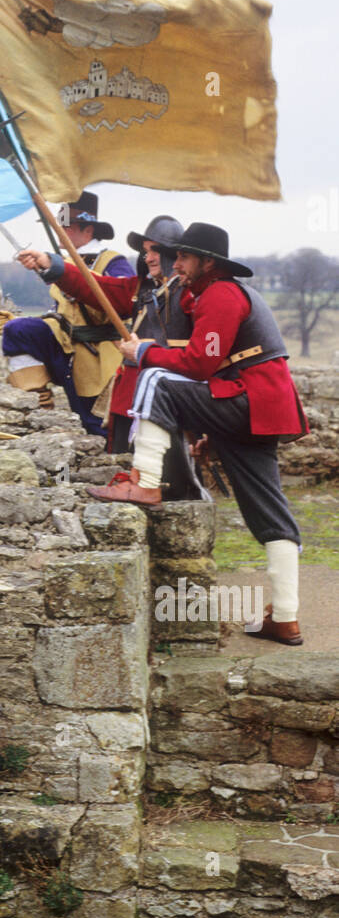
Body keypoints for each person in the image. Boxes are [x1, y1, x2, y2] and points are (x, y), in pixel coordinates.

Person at [86, 223, 309, 647]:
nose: (178, 265)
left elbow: (201, 364)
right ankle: (286, 618)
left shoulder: (221, 293)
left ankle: (145, 484)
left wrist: (144, 352)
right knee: (271, 513)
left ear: (207, 262)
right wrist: (215, 426)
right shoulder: (216, 292)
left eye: (185, 257)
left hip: (247, 397)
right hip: (256, 403)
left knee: (155, 378)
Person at [18, 215, 198, 496]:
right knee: (131, 454)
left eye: (155, 251)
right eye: (146, 251)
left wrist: (144, 351)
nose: (148, 258)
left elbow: (198, 352)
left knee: (176, 469)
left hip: (169, 387)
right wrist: (51, 264)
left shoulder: (191, 293)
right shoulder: (143, 289)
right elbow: (96, 288)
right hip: (130, 385)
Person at [6, 191, 133, 433]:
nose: (59, 232)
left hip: (99, 356)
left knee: (99, 427)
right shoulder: (62, 262)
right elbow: (63, 311)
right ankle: (38, 400)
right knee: (19, 330)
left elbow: (122, 302)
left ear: (88, 231)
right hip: (66, 347)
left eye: (67, 227)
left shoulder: (114, 263)